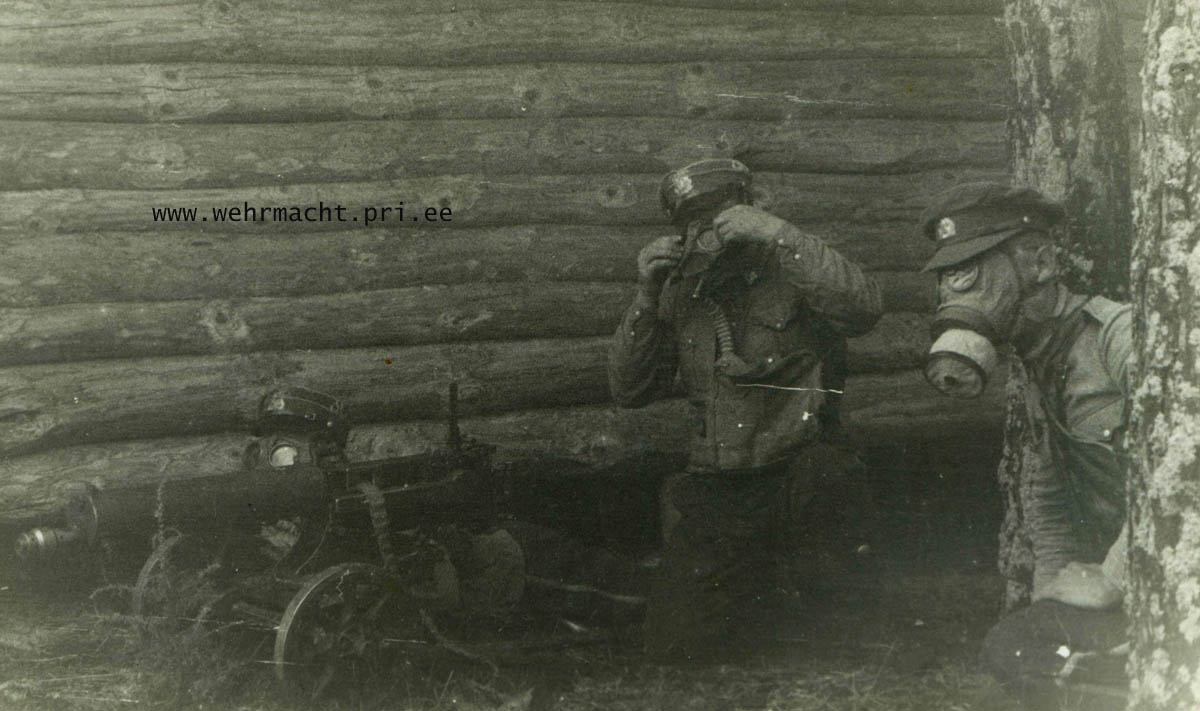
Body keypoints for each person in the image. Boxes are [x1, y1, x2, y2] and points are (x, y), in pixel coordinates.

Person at [608, 158, 883, 661]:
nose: (710, 231)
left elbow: (864, 308)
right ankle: (763, 589)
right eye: (694, 222)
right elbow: (630, 390)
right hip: (724, 488)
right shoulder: (682, 291)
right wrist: (646, 293)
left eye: (721, 213)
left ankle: (790, 588)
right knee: (675, 644)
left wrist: (779, 234)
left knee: (839, 636)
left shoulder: (796, 266)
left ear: (749, 206)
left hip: (800, 472)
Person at [916, 182, 1132, 707]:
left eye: (975, 272)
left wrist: (1114, 578)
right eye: (950, 277)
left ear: (1040, 263)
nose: (958, 295)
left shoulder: (1119, 337)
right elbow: (1051, 504)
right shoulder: (1038, 367)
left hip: (1170, 576)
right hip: (1136, 586)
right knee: (1015, 647)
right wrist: (1051, 604)